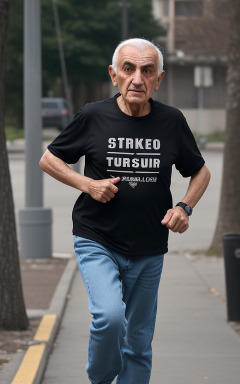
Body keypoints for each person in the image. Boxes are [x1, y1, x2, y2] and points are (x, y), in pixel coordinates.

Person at [39, 38, 210, 384]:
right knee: (109, 316)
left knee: (138, 344)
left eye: (147, 71)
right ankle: (101, 380)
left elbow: (201, 171)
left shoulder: (171, 121)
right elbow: (49, 159)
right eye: (129, 69)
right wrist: (87, 184)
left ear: (158, 79)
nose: (137, 78)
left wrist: (185, 207)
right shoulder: (93, 116)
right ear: (114, 74)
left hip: (149, 247)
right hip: (97, 238)